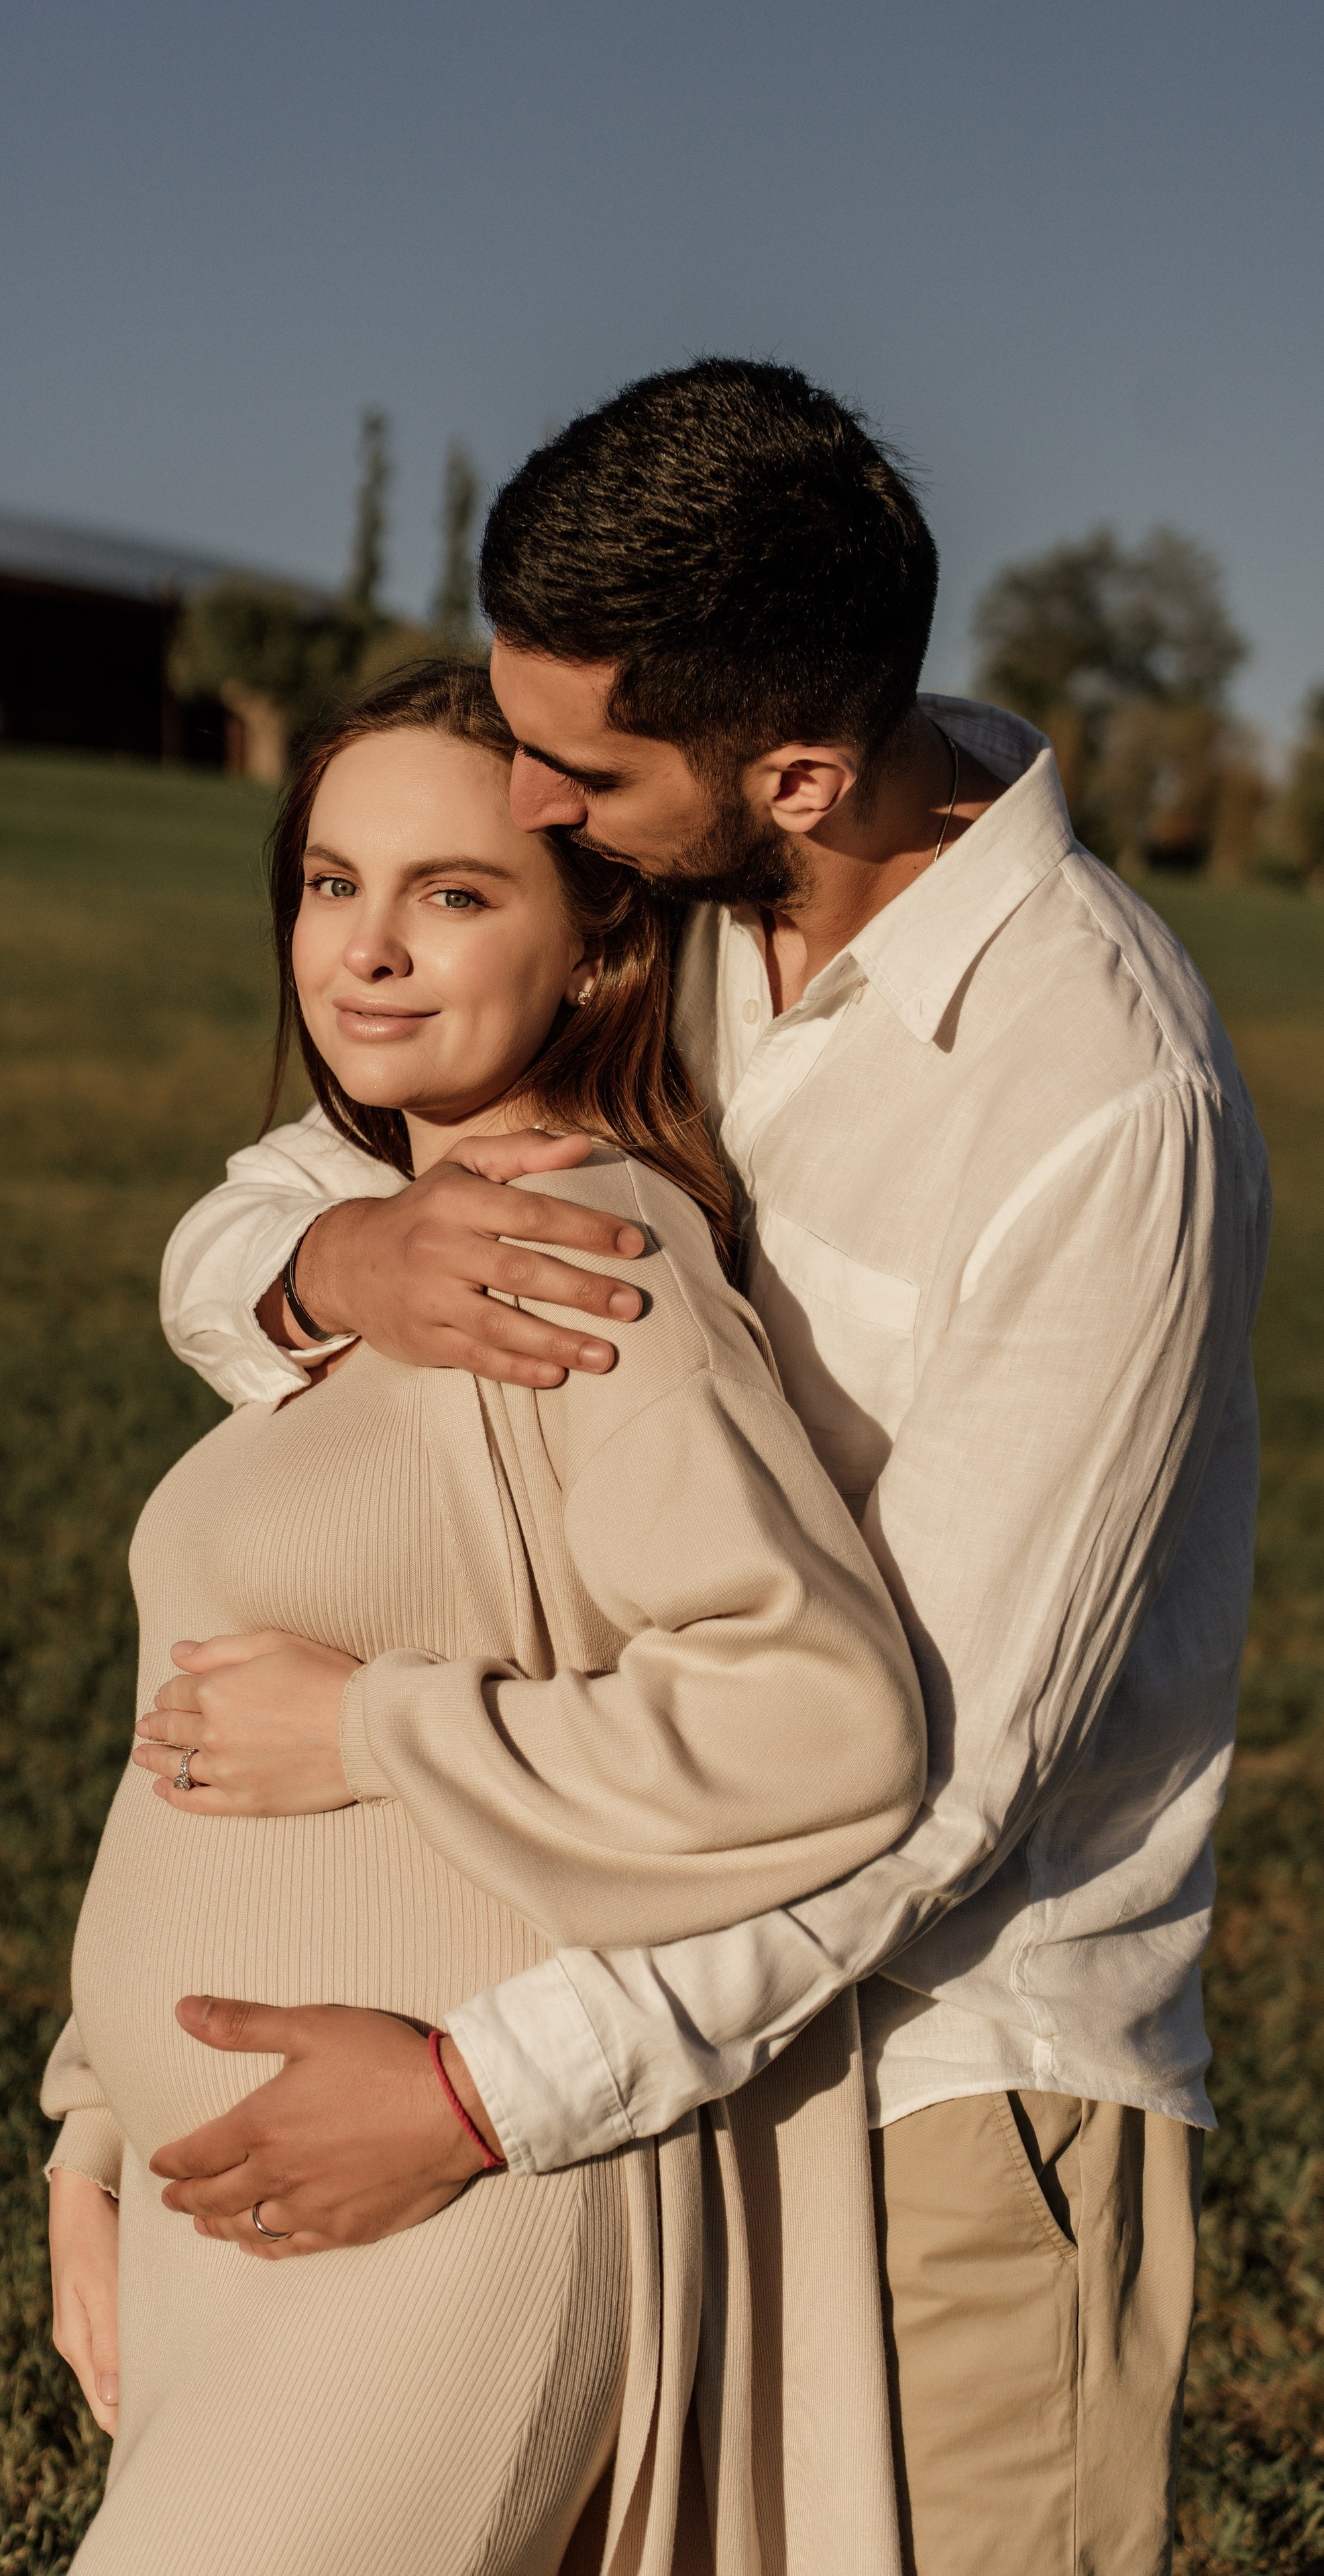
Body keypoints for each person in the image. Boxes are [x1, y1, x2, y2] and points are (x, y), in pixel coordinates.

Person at [147, 362, 1271, 2576]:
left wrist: (481, 2093)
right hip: (629, 2037)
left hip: (948, 2087)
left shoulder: (1099, 1100)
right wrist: (339, 1260)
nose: (535, 810)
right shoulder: (686, 925)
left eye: (578, 767)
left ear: (799, 770)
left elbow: (940, 1786)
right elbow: (256, 1211)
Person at [42, 658, 927, 2576]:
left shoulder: (583, 1261)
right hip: (246, 2220)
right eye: (330, 883)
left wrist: (382, 1725)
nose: (364, 950)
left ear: (599, 944)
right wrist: (92, 2135)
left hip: (443, 2229)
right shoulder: (385, 1248)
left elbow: (829, 1719)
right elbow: (177, 1744)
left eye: (451, 894)